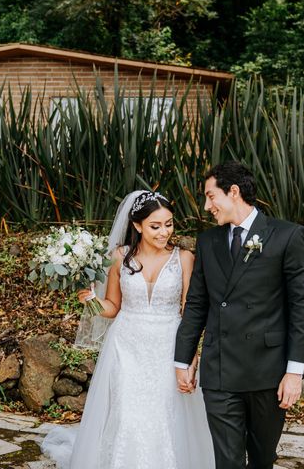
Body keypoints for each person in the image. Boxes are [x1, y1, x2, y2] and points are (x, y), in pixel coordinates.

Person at [41, 190, 215, 469]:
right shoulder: (120, 257)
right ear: (137, 225)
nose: (164, 232)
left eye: (169, 224)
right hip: (126, 345)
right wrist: (91, 301)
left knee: (165, 415)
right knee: (126, 412)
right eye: (155, 226)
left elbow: (190, 313)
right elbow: (111, 307)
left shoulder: (184, 258)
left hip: (168, 345)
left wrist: (190, 358)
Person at [174, 161, 304, 469]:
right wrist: (182, 359)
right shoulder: (208, 242)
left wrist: (294, 372)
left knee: (262, 459)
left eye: (211, 196)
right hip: (220, 369)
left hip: (268, 371)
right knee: (228, 461)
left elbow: (300, 308)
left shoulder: (287, 236)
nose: (207, 205)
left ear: (233, 191)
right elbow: (197, 303)